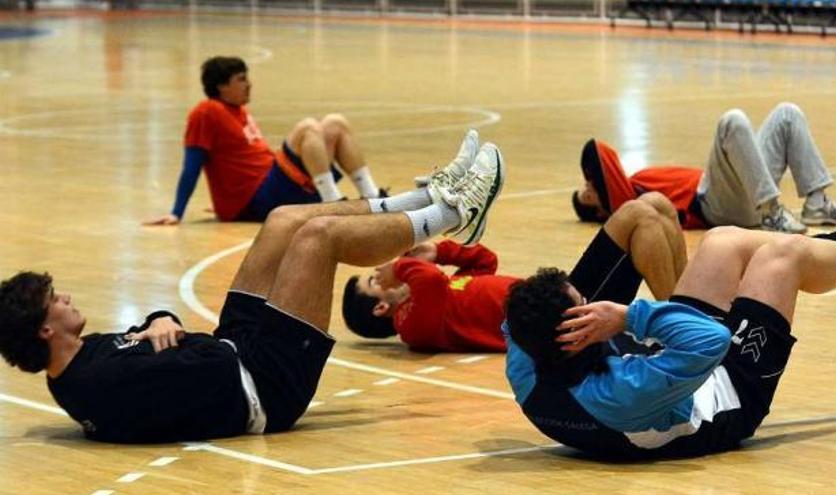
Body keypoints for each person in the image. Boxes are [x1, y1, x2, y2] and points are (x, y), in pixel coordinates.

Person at [0, 138, 505, 443]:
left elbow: (146, 340)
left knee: (283, 220)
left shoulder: (82, 358)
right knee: (317, 239)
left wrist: (159, 319)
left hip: (236, 346)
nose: (66, 298)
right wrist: (175, 343)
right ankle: (454, 215)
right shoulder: (93, 387)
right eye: (55, 301)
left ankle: (429, 195)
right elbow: (160, 407)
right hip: (264, 386)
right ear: (46, 328)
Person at [504, 180, 836, 460]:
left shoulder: (527, 366)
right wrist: (628, 316)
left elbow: (515, 320)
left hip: (666, 370)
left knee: (721, 241)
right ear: (575, 336)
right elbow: (713, 341)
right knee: (782, 257)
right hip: (730, 392)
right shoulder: (619, 396)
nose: (593, 304)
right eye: (585, 305)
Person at [342, 130, 687, 352]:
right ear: (381, 307)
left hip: (562, 296)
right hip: (561, 320)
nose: (382, 270)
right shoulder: (411, 327)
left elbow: (485, 261)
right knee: (635, 215)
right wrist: (400, 266)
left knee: (654, 205)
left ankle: (697, 316)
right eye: (374, 279)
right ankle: (685, 330)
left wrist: (438, 249)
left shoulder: (447, 293)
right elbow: (429, 281)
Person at [143, 56, 385, 225]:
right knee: (308, 128)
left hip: (271, 185)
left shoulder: (238, 110)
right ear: (221, 87)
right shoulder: (206, 112)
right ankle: (333, 203)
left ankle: (374, 198)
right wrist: (177, 212)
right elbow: (192, 166)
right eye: (241, 79)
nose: (249, 84)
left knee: (335, 123)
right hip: (256, 197)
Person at [571, 102, 836, 234]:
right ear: (599, 209)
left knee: (787, 114)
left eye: (586, 184)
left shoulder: (634, 181)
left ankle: (816, 202)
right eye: (587, 193)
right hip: (716, 206)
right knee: (732, 121)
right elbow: (597, 151)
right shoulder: (623, 205)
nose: (588, 185)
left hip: (733, 189)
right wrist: (592, 175)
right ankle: (771, 211)